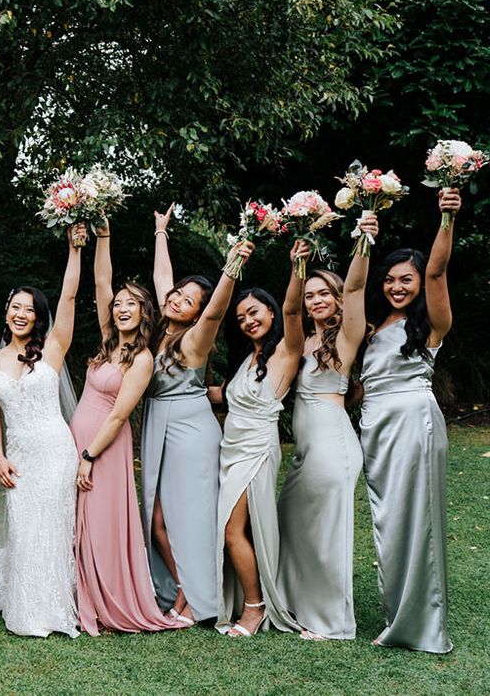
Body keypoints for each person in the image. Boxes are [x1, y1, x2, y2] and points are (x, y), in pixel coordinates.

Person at [359, 189, 460, 653]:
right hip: (375, 426)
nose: (397, 287)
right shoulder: (376, 324)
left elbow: (438, 270)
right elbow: (353, 290)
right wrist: (364, 236)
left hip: (413, 421)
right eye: (391, 280)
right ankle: (395, 612)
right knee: (389, 520)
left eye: (407, 280)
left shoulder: (432, 323)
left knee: (416, 519)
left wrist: (446, 216)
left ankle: (419, 623)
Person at [142, 204, 253, 625]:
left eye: (189, 300)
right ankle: (180, 585)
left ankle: (194, 597)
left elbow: (216, 310)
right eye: (178, 294)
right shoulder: (157, 331)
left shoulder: (194, 341)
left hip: (190, 429)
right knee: (156, 517)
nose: (177, 299)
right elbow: (161, 281)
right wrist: (160, 233)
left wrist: (233, 265)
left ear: (196, 313)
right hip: (158, 425)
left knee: (186, 515)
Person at [71, 219, 182, 636]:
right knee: (76, 525)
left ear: (144, 311)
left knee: (100, 526)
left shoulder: (142, 359)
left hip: (104, 448)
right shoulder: (107, 341)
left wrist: (88, 456)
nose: (120, 308)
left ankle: (109, 601)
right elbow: (101, 282)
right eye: (118, 303)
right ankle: (80, 591)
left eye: (130, 303)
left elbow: (118, 415)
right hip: (79, 439)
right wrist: (103, 235)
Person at [276, 216, 378, 641]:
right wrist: (298, 268)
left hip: (332, 446)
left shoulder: (347, 337)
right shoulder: (306, 340)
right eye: (312, 294)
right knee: (293, 522)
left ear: (337, 299)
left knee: (327, 534)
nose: (316, 300)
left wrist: (364, 240)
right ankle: (296, 604)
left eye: (324, 294)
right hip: (307, 451)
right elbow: (288, 310)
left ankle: (333, 622)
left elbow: (355, 288)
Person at [0, 225, 85, 638]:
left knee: (55, 527)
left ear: (38, 316)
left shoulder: (55, 348)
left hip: (57, 452)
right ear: (7, 311)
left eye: (29, 309)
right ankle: (26, 608)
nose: (21, 314)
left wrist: (74, 249)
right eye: (15, 307)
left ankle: (59, 605)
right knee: (25, 529)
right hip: (19, 455)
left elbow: (70, 296)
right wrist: (0, 455)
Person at [210, 239, 309, 637]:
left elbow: (292, 309)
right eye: (241, 318)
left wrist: (297, 267)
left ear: (270, 312)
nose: (248, 320)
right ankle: (246, 599)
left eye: (254, 312)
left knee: (233, 531)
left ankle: (254, 607)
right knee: (233, 530)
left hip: (255, 450)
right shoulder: (247, 362)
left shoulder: (286, 352)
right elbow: (222, 397)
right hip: (230, 451)